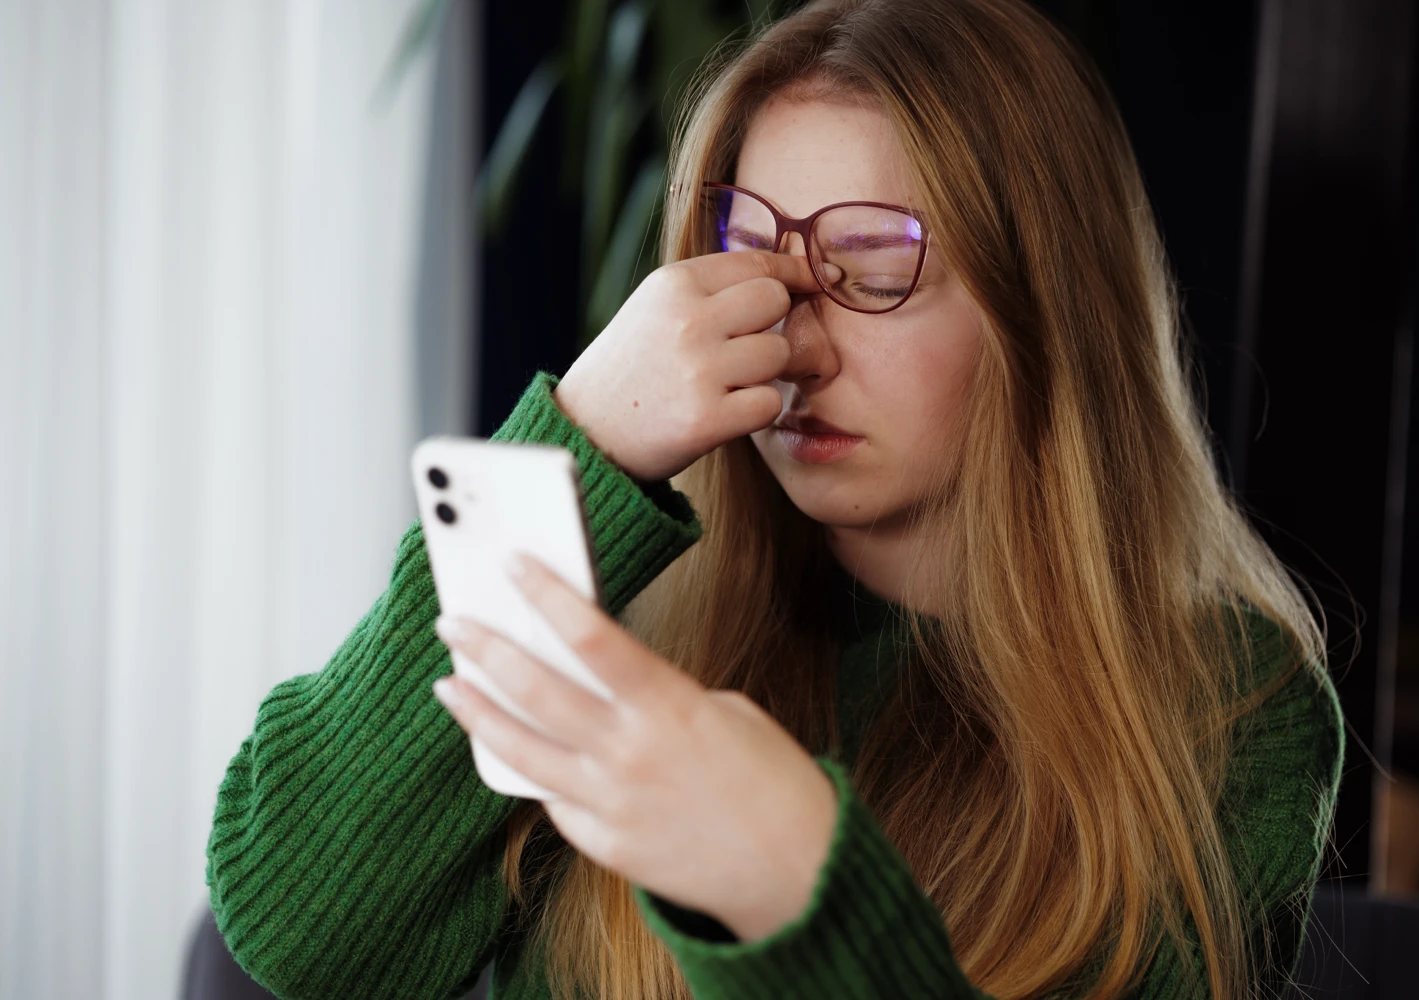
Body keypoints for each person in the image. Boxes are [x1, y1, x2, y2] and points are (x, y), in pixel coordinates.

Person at [205, 0, 1344, 997]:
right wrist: (579, 442)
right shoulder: (622, 612)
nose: (795, 340)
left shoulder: (1224, 707)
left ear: (1045, 302)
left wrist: (795, 886)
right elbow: (297, 930)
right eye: (752, 257)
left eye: (870, 263)